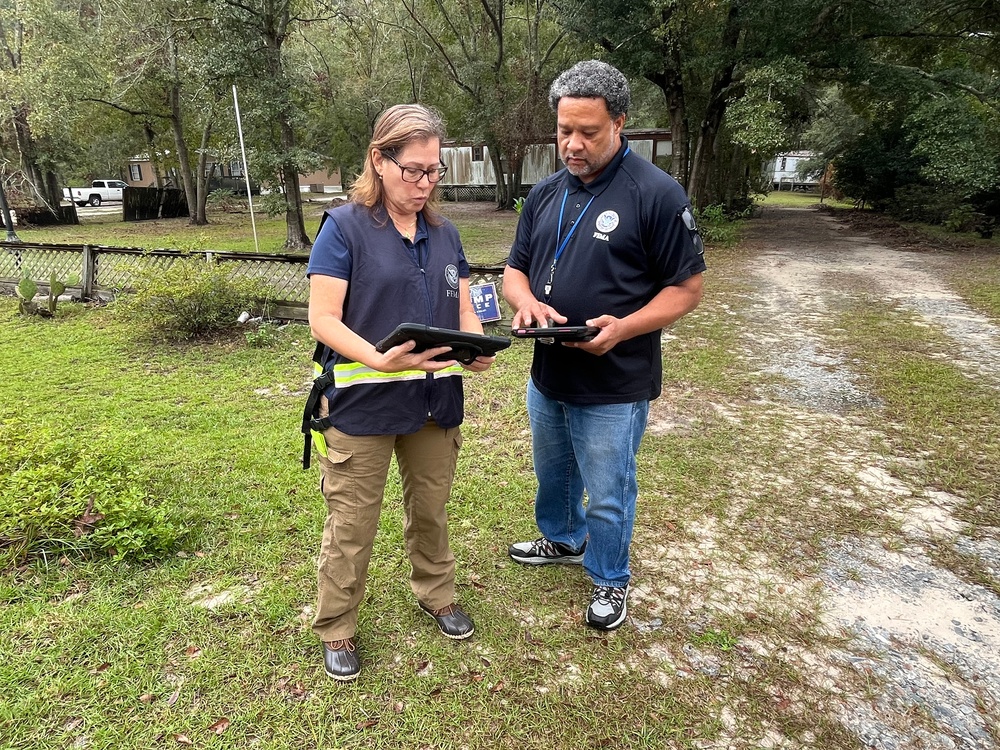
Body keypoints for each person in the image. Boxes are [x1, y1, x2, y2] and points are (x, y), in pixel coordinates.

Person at [503, 60, 705, 631]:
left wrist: (623, 327)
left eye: (588, 132)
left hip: (615, 379)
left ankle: (610, 579)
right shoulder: (544, 195)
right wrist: (525, 303)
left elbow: (686, 289)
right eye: (565, 130)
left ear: (620, 123)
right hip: (548, 372)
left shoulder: (657, 194)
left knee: (609, 489)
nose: (573, 144)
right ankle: (563, 540)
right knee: (555, 474)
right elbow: (515, 270)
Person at [305, 103, 493, 681]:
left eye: (434, 171)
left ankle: (436, 593)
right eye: (413, 170)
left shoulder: (445, 232)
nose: (424, 183)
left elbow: (463, 303)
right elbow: (324, 320)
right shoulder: (344, 228)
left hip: (435, 403)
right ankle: (337, 624)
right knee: (352, 522)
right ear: (378, 161)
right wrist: (377, 359)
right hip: (364, 405)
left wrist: (477, 342)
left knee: (431, 509)